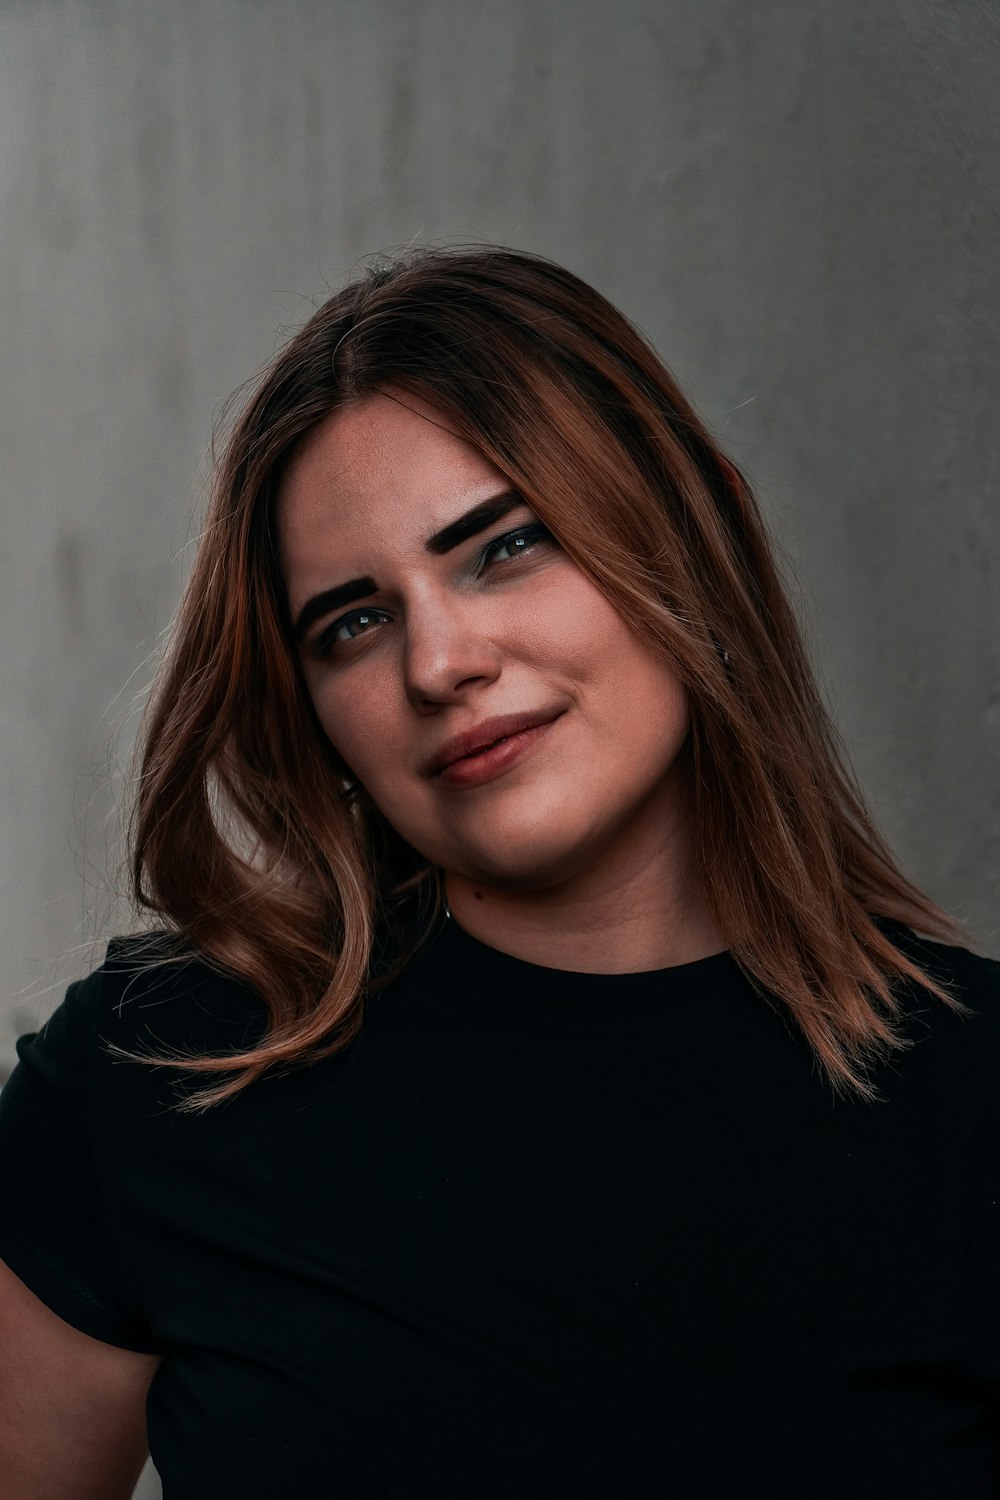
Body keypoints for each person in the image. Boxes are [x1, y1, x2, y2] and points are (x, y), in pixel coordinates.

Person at [0, 245, 996, 1499]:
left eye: (503, 547)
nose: (438, 662)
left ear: (697, 536)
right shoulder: (161, 1072)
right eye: (351, 621)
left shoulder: (971, 1101)